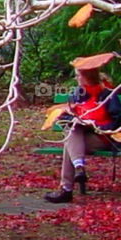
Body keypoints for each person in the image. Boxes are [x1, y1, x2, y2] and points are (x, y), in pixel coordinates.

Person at [44, 65, 121, 203]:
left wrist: (95, 125)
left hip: (103, 137)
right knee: (73, 130)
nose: (76, 78)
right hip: (80, 136)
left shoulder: (107, 94)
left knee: (70, 144)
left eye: (78, 75)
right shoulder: (77, 93)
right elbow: (64, 116)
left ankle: (67, 189)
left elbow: (117, 121)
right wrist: (76, 120)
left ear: (88, 76)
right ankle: (78, 169)